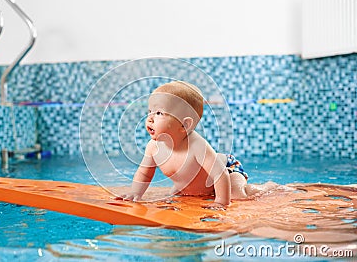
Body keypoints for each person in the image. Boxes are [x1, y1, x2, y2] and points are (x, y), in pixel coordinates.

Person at [118, 81, 276, 209]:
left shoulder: (196, 146)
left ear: (185, 125)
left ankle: (268, 188)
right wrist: (135, 193)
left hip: (227, 170)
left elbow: (220, 174)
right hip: (194, 185)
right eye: (150, 111)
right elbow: (144, 174)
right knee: (175, 194)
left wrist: (221, 203)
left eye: (159, 113)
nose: (150, 118)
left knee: (237, 195)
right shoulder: (153, 147)